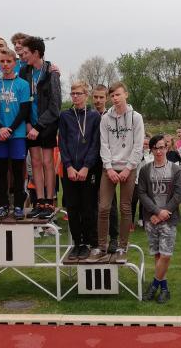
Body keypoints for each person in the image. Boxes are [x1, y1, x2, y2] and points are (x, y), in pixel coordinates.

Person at [88, 81, 144, 263]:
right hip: (109, 168)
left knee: (125, 208)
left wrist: (128, 168)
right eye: (112, 96)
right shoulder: (106, 118)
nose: (115, 98)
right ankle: (101, 247)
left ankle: (122, 247)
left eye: (118, 94)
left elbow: (138, 146)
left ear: (126, 94)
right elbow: (103, 144)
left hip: (129, 167)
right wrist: (109, 167)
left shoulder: (136, 117)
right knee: (103, 207)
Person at [19, 36, 62, 219]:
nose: (23, 56)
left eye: (25, 53)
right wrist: (28, 124)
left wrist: (38, 126)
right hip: (31, 125)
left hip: (47, 124)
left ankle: (49, 202)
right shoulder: (24, 71)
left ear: (36, 53)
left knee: (47, 163)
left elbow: (55, 105)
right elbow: (23, 101)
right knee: (35, 162)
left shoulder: (51, 72)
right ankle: (40, 201)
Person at [138, 135, 181, 304]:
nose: (159, 151)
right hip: (151, 218)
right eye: (155, 148)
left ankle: (154, 285)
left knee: (166, 255)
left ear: (167, 148)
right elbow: (142, 193)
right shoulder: (145, 170)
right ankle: (164, 289)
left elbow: (179, 194)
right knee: (157, 254)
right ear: (151, 150)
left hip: (169, 219)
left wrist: (165, 212)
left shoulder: (175, 169)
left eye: (162, 147)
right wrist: (157, 212)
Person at [59, 81, 101, 260]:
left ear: (86, 95)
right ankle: (77, 243)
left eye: (78, 93)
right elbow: (62, 142)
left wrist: (86, 167)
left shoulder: (94, 116)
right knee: (72, 208)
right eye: (73, 93)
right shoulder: (65, 115)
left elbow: (95, 144)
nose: (75, 97)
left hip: (87, 170)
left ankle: (88, 243)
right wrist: (68, 166)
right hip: (69, 170)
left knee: (88, 208)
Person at [0, 48, 30, 221]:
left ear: (15, 62)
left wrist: (10, 130)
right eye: (2, 61)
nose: (5, 64)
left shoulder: (23, 84)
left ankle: (19, 205)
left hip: (17, 133)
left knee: (17, 171)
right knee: (0, 171)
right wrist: (0, 128)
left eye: (9, 61)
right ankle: (4, 205)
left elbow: (24, 111)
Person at [92, 84, 120, 253]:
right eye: (95, 97)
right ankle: (95, 238)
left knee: (111, 203)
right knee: (93, 203)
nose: (98, 100)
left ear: (106, 98)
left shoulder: (112, 116)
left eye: (101, 97)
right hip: (91, 164)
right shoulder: (87, 115)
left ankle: (114, 238)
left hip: (108, 164)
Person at [132, 135, 153, 229]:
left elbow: (150, 164)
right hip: (136, 181)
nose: (145, 146)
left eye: (147, 144)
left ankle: (142, 220)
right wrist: (140, 155)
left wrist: (146, 154)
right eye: (143, 144)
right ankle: (131, 222)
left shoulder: (152, 154)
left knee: (145, 203)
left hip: (148, 183)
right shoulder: (137, 154)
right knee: (133, 201)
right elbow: (134, 164)